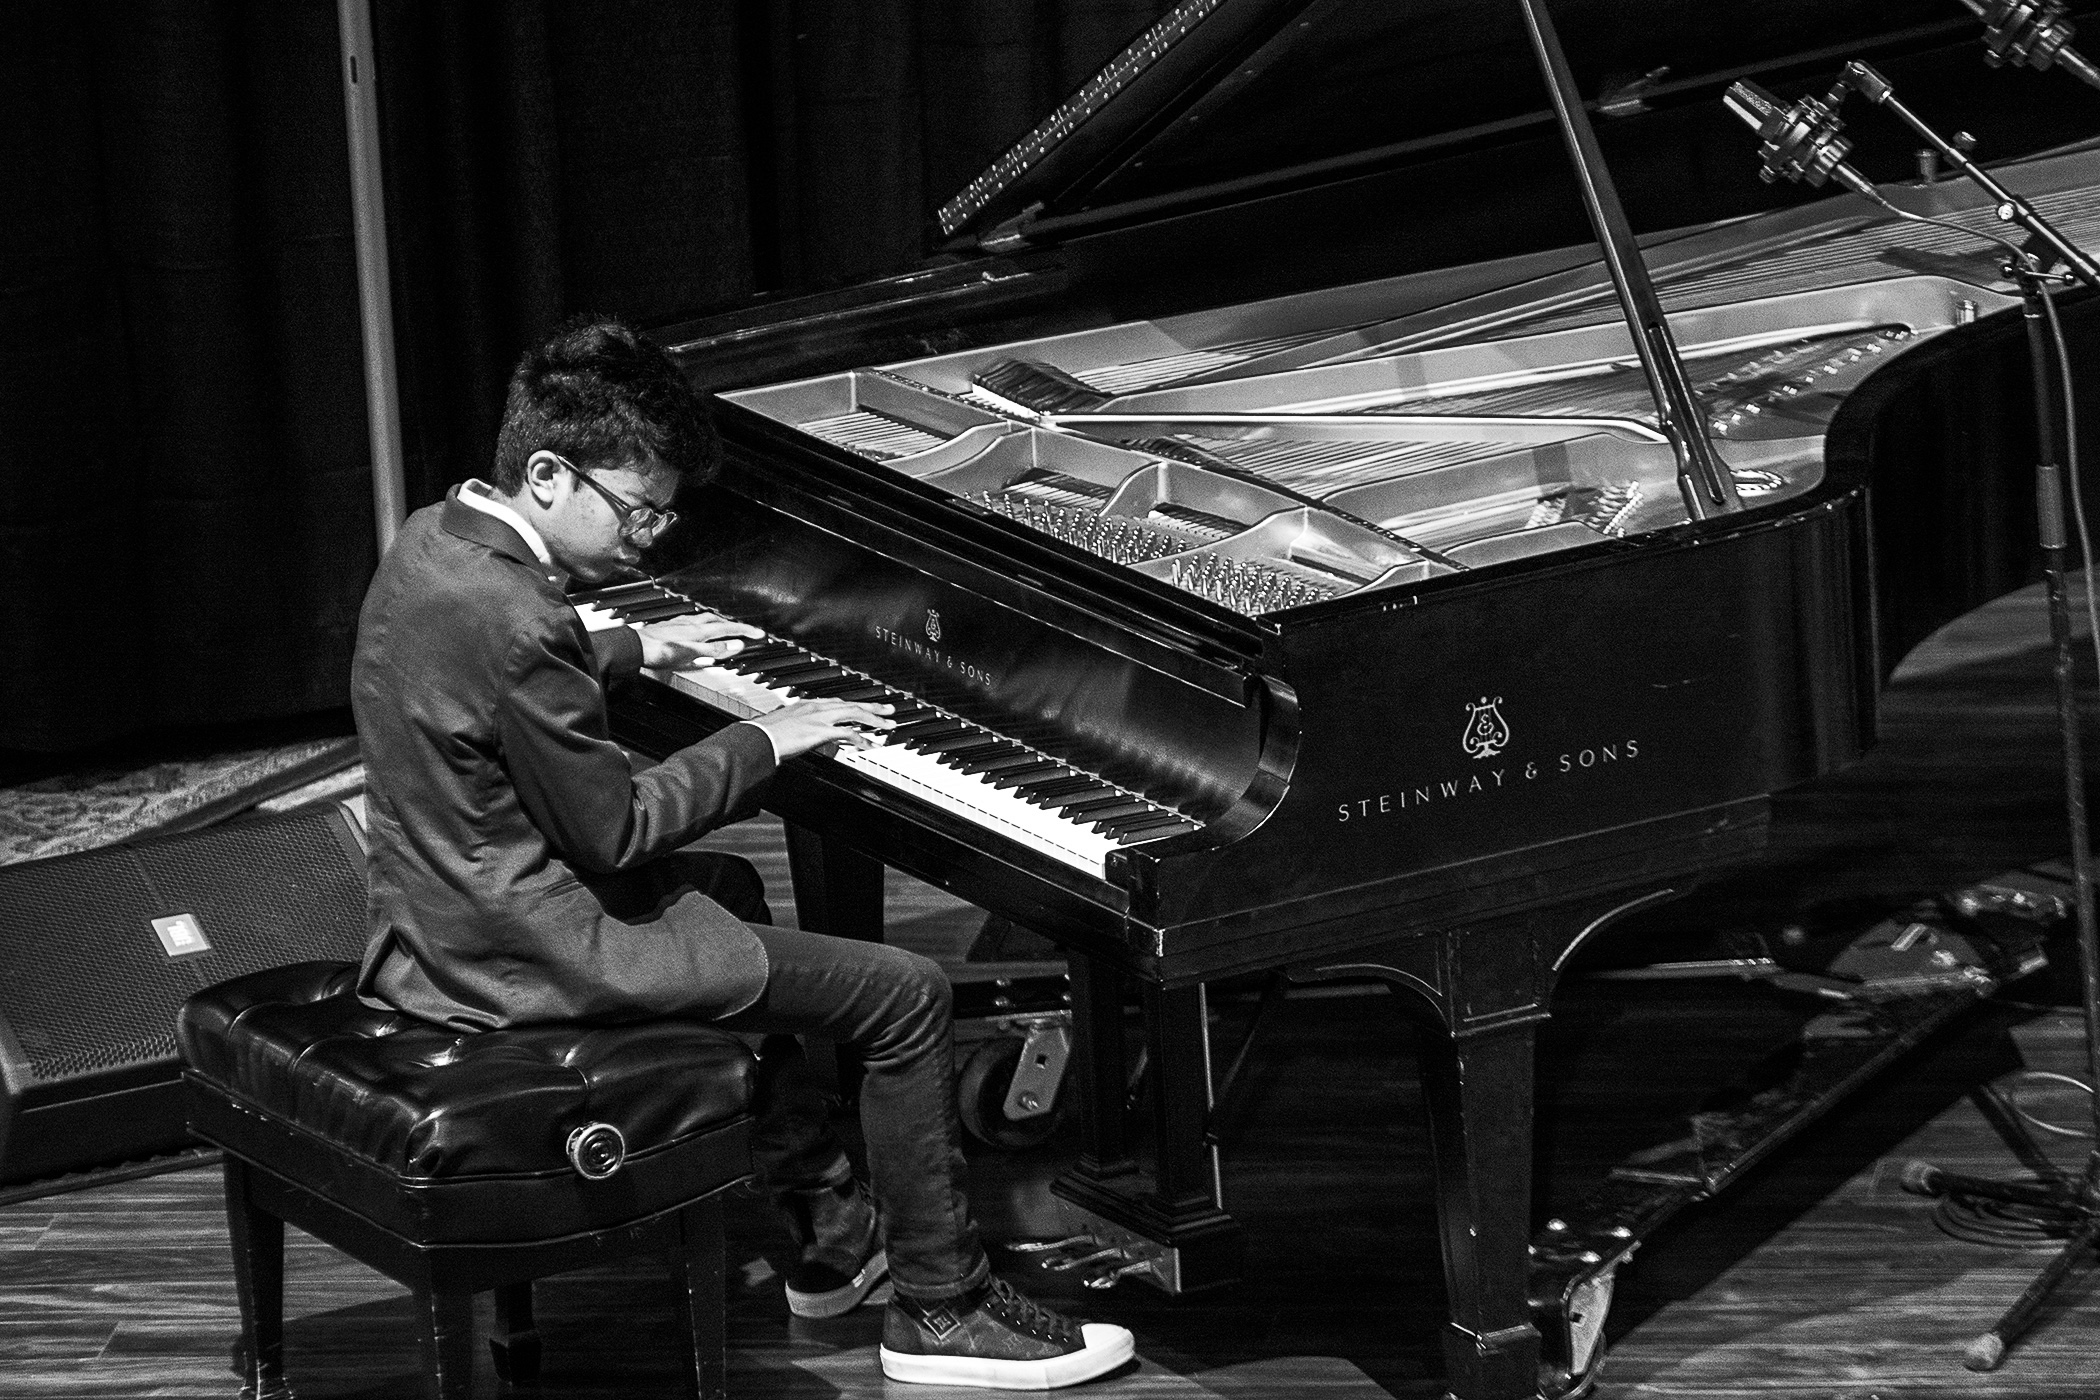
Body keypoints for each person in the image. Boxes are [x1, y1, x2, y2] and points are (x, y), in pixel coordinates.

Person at [349, 316, 1134, 1390]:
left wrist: (629, 645)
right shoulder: (519, 618)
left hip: (440, 914)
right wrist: (766, 736)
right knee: (904, 994)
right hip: (526, 953)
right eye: (638, 509)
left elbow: (495, 671)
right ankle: (941, 1305)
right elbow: (614, 828)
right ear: (544, 473)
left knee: (726, 884)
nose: (654, 535)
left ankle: (832, 1232)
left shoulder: (433, 543)